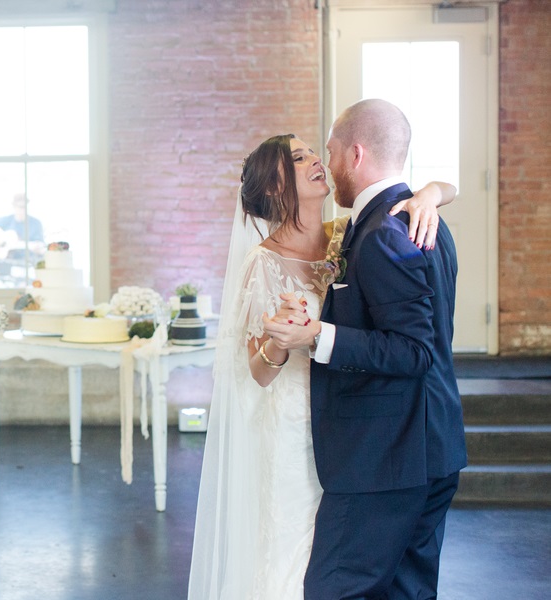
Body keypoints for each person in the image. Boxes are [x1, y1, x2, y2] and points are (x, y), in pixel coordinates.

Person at [187, 129, 457, 599]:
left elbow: (444, 188)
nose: (315, 159)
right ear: (275, 186)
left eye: (315, 151)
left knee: (351, 560)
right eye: (298, 157)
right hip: (297, 425)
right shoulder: (263, 262)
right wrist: (280, 341)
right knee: (304, 555)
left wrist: (430, 193)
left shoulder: (346, 234)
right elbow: (258, 370)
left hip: (357, 425)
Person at [264, 99, 467, 599]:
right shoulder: (426, 222)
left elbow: (415, 351)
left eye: (330, 152)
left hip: (386, 458)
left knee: (336, 588)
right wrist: (434, 191)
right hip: (430, 448)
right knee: (406, 592)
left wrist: (317, 335)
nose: (327, 166)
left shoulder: (383, 235)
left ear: (354, 153)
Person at [0, 193, 46, 261]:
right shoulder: (7, 220)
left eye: (24, 207)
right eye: (20, 207)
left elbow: (41, 247)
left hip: (29, 263)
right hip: (8, 262)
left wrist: (37, 249)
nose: (22, 210)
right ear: (14, 206)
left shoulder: (36, 223)